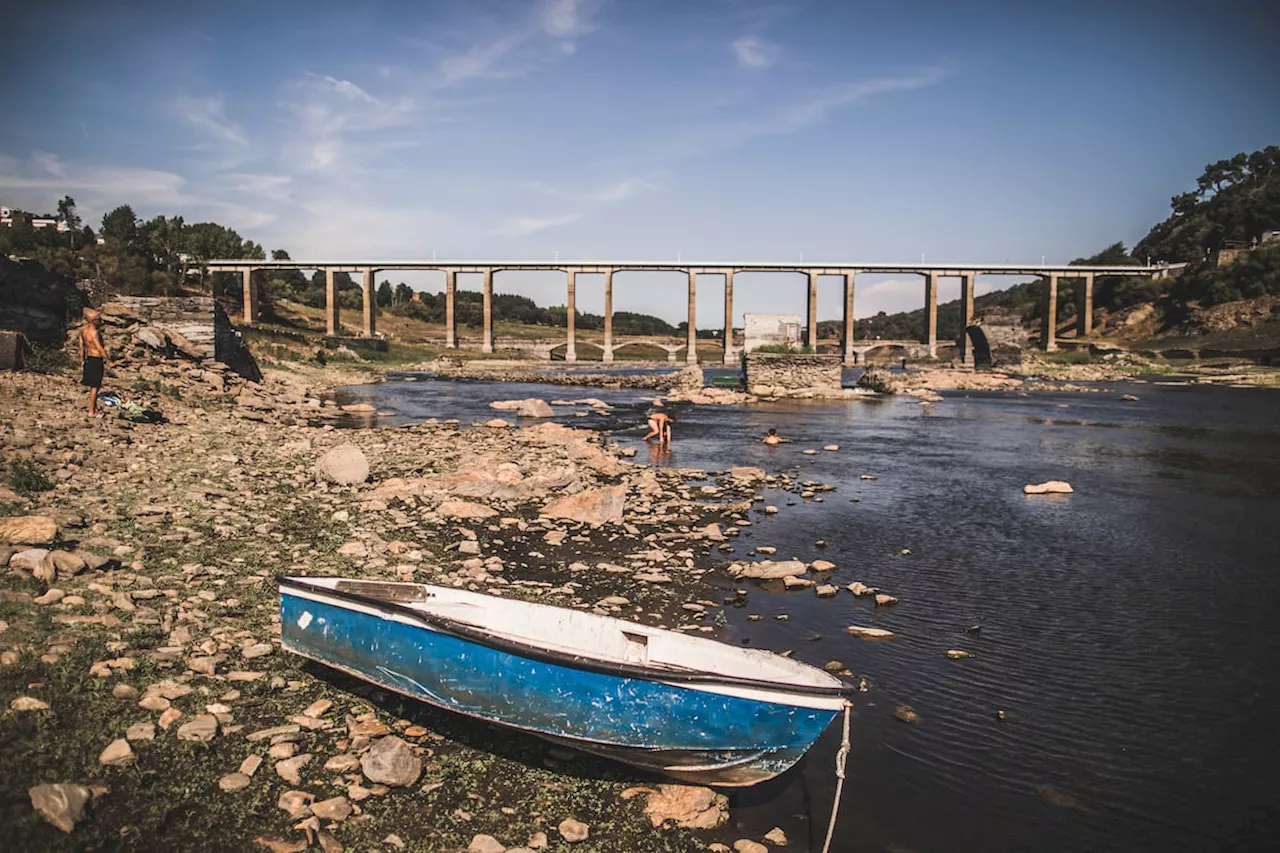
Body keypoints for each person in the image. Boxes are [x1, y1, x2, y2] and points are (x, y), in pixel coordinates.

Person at [78, 308, 108, 416]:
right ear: (93, 320)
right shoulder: (94, 333)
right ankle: (92, 411)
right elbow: (99, 348)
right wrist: (108, 360)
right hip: (96, 359)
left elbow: (81, 347)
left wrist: (82, 360)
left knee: (92, 386)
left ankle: (92, 409)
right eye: (98, 319)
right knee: (95, 387)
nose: (100, 321)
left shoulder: (83, 331)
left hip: (89, 359)